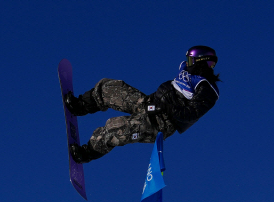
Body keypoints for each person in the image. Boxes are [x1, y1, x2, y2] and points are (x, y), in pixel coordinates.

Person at [66, 46, 220, 164]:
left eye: (191, 60)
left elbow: (191, 114)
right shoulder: (186, 70)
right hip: (150, 103)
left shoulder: (207, 88)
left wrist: (167, 106)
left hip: (160, 123)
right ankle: (80, 105)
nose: (188, 63)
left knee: (115, 127)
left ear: (200, 61)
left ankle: (86, 153)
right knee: (110, 88)